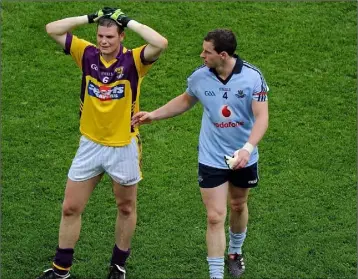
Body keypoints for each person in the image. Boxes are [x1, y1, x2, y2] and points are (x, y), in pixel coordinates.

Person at [37, 7, 167, 279]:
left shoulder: (134, 60)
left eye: (110, 36)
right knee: (70, 207)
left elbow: (160, 43)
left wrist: (128, 21)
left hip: (123, 146)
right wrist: (89, 18)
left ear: (121, 36)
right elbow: (52, 28)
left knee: (126, 207)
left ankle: (118, 265)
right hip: (90, 144)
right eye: (100, 35)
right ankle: (61, 270)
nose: (103, 41)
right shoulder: (86, 54)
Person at [132, 29, 269, 279]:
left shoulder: (252, 78)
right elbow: (185, 100)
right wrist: (153, 114)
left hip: (244, 155)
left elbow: (262, 118)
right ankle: (216, 275)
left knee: (238, 205)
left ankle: (235, 252)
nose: (202, 55)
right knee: (215, 217)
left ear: (223, 55)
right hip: (212, 156)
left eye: (207, 51)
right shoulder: (199, 77)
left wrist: (247, 149)